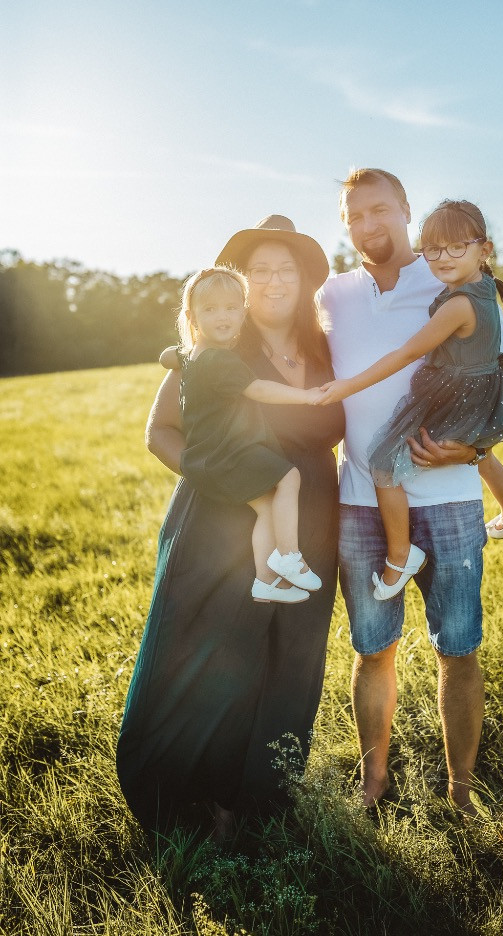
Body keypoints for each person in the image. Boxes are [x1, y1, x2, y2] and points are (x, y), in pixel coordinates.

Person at [116, 216, 345, 834]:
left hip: (308, 520)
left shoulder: (328, 347)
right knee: (218, 655)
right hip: (220, 521)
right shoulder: (215, 346)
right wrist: (217, 479)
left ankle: (261, 800)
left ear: (304, 280)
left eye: (285, 269)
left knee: (291, 659)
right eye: (259, 270)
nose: (273, 281)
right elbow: (160, 432)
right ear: (239, 285)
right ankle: (190, 802)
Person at [318, 169, 503, 816]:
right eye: (356, 215)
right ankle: (374, 781)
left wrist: (474, 450)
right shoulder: (332, 294)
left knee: (458, 650)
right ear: (346, 225)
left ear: (405, 209)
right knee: (371, 650)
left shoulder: (450, 278)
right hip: (362, 501)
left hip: (450, 500)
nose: (369, 224)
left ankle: (461, 791)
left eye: (380, 209)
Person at [319, 200, 503, 600]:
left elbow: (408, 353)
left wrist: (347, 386)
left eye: (456, 247)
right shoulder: (484, 288)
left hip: (455, 396)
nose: (443, 258)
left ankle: (401, 555)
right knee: (483, 456)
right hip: (476, 397)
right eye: (433, 250)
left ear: (484, 250)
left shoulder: (458, 304)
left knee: (382, 461)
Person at [160, 264, 323, 604]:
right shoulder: (220, 361)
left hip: (205, 458)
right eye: (210, 310)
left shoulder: (190, 355)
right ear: (192, 317)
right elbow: (260, 389)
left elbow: (166, 357)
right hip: (228, 453)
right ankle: (289, 555)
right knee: (289, 477)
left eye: (231, 308)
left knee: (267, 507)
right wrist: (306, 396)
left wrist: (176, 353)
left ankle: (266, 581)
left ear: (243, 312)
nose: (223, 317)